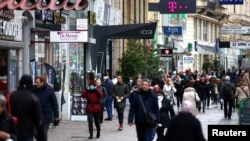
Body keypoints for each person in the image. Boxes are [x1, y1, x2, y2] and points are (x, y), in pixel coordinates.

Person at [9, 75, 45, 141]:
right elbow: (38, 121)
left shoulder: (11, 96)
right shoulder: (33, 98)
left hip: (12, 133)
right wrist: (42, 138)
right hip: (27, 133)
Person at [33, 76, 59, 141]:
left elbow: (54, 103)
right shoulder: (33, 90)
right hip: (35, 116)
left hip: (46, 116)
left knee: (44, 133)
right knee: (35, 133)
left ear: (42, 83)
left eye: (38, 82)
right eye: (36, 82)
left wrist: (56, 115)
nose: (36, 84)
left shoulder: (49, 90)